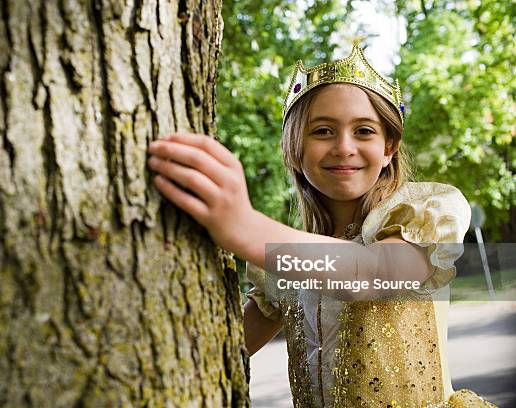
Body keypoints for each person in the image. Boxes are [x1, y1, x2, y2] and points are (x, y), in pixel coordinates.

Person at [146, 43, 496, 407]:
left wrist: (244, 226)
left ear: (389, 146)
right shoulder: (289, 260)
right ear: (294, 149)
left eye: (364, 131)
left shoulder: (422, 213)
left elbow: (371, 274)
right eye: (323, 131)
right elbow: (223, 351)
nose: (344, 147)